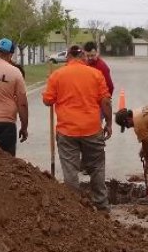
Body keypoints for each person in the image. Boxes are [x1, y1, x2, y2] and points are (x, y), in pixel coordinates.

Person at [42, 45, 113, 211]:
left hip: (67, 131)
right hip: (92, 129)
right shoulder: (96, 74)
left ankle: (74, 208)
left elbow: (48, 101)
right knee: (96, 167)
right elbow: (106, 101)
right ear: (83, 57)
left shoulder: (57, 75)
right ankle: (101, 204)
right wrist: (109, 123)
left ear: (67, 57)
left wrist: (49, 88)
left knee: (70, 169)